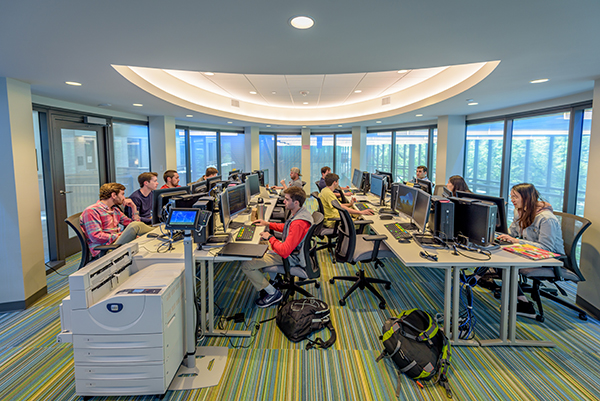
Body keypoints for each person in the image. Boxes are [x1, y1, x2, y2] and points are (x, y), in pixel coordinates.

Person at [484, 183, 565, 318]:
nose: (512, 200)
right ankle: (474, 279)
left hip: (550, 259)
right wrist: (498, 233)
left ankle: (525, 305)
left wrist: (517, 241)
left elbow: (547, 248)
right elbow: (513, 232)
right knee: (497, 256)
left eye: (515, 197)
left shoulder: (546, 219)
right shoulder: (520, 211)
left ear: (527, 198)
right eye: (511, 196)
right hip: (530, 252)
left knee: (504, 264)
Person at [240, 186, 313, 308]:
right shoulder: (301, 213)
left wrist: (270, 237)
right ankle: (276, 279)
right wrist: (268, 224)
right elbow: (287, 227)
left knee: (246, 265)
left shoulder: (298, 223)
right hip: (293, 251)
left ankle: (273, 293)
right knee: (260, 245)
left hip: (291, 257)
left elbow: (284, 251)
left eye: (287, 199)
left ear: (296, 202)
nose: (284, 201)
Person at [80, 183, 154, 258]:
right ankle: (155, 232)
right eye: (122, 194)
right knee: (135, 226)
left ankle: (155, 233)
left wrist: (133, 207)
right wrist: (120, 236)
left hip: (116, 243)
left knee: (138, 229)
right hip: (106, 249)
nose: (124, 198)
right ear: (114, 195)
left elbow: (131, 223)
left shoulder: (115, 210)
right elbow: (96, 236)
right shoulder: (92, 211)